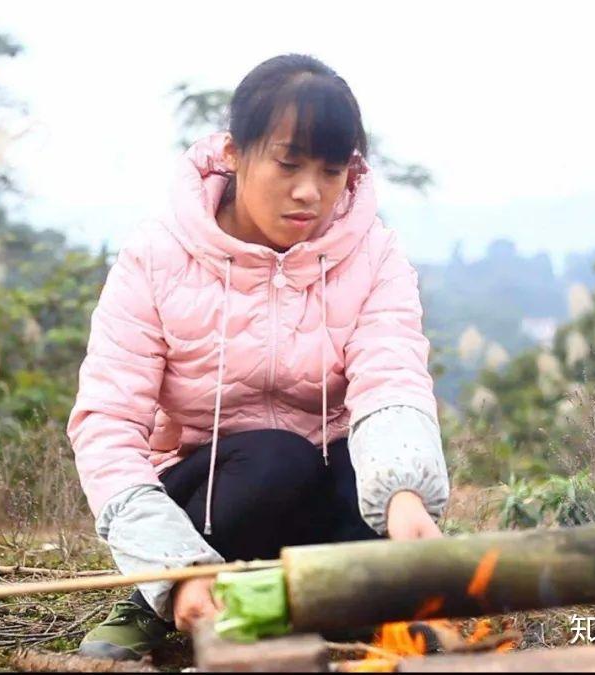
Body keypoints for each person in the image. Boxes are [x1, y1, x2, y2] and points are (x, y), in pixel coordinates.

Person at [68, 53, 450, 661]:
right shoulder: (157, 256)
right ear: (234, 153)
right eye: (288, 163)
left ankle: (348, 605)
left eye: (331, 171)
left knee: (365, 483)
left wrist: (404, 498)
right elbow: (108, 425)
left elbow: (390, 382)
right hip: (219, 502)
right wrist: (174, 569)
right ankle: (159, 600)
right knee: (277, 460)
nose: (309, 193)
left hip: (327, 489)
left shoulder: (373, 256)